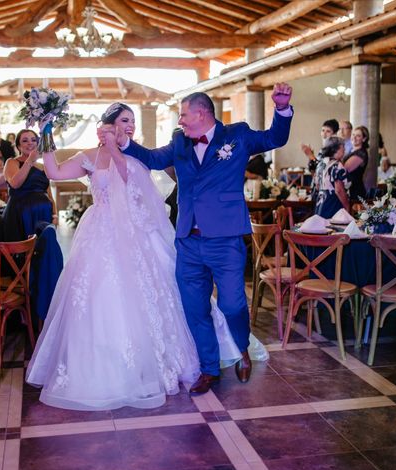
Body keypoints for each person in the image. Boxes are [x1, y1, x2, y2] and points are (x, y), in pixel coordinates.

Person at [27, 103, 266, 410]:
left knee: (162, 295)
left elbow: (128, 182)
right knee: (98, 299)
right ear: (109, 124)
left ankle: (206, 354)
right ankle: (104, 368)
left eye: (132, 122)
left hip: (138, 235)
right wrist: (46, 132)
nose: (130, 127)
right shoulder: (88, 155)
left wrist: (116, 148)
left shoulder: (136, 154)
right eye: (125, 121)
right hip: (100, 234)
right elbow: (54, 172)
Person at [108, 84, 293, 394]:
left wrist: (282, 110)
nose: (179, 121)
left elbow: (275, 138)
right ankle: (209, 369)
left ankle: (242, 347)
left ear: (201, 113)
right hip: (188, 242)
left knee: (233, 305)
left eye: (183, 115)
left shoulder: (238, 135)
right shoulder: (179, 141)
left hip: (226, 239)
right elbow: (153, 159)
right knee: (195, 308)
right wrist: (126, 143)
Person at [0, 129, 56, 241]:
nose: (30, 143)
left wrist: (55, 214)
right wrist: (30, 160)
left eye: (33, 140)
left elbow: (49, 193)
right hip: (20, 215)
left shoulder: (43, 166)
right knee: (22, 252)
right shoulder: (12, 162)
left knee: (43, 250)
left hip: (43, 215)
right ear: (18, 146)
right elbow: (15, 183)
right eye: (25, 140)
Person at [314, 136, 350, 218]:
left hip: (320, 206)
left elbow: (317, 186)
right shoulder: (337, 165)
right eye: (343, 147)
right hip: (333, 206)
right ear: (336, 148)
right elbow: (339, 190)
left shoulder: (321, 164)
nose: (344, 150)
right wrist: (347, 208)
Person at [342, 126, 368, 201]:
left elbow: (344, 169)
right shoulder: (352, 150)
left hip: (355, 191)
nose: (354, 137)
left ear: (364, 139)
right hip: (349, 188)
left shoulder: (361, 153)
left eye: (358, 136)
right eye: (353, 135)